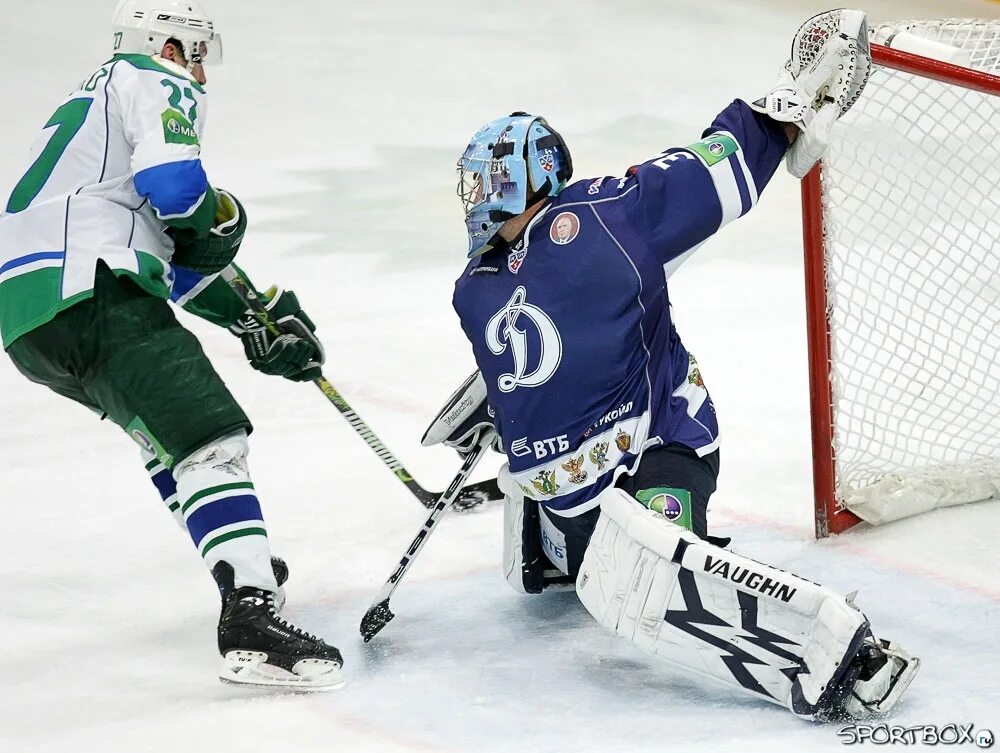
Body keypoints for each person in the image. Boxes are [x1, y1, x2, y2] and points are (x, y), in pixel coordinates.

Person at [424, 9, 919, 719]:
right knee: (583, 561)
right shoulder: (476, 288)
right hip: (576, 490)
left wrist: (784, 106)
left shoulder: (601, 215)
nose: (473, 200)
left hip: (663, 442)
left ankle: (843, 657)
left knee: (659, 559)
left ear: (524, 180)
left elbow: (709, 167)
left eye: (484, 182)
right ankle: (566, 546)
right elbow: (536, 357)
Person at [0, 0, 342, 689]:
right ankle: (248, 611)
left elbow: (163, 251)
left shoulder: (92, 106)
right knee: (206, 436)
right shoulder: (150, 77)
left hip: (31, 317)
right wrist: (223, 217)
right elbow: (179, 194)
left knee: (168, 439)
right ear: (166, 44)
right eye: (194, 52)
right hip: (91, 290)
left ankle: (237, 556)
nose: (200, 71)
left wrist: (254, 316)